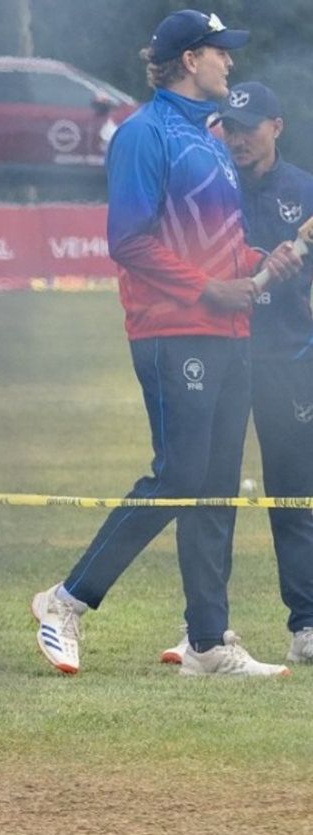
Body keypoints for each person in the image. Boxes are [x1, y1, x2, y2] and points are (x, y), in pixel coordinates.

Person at [29, 12, 301, 677]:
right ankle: (65, 601)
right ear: (188, 60)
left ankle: (208, 643)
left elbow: (216, 240)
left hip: (228, 332)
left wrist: (262, 259)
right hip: (172, 330)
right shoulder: (143, 136)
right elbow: (129, 240)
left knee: (213, 489)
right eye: (219, 53)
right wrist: (209, 289)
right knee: (178, 476)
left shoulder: (209, 140)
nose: (229, 65)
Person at [155, 81, 313, 665]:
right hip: (220, 353)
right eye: (230, 127)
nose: (238, 138)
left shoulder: (304, 190)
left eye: (250, 127)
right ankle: (202, 626)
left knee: (295, 494)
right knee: (208, 493)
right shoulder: (208, 182)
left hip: (289, 360)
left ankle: (307, 625)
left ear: (277, 126)